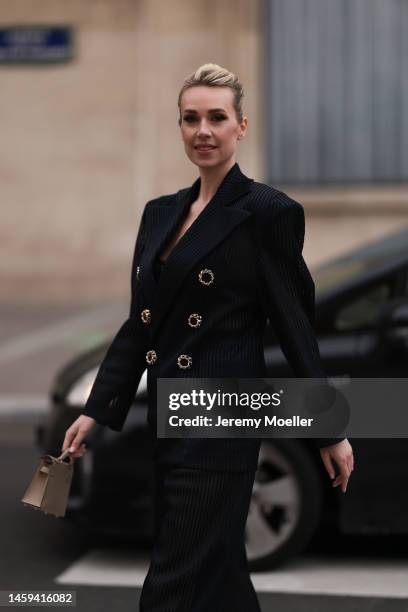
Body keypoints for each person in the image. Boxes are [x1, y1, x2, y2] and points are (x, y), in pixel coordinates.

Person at [62, 63, 354, 611]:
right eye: (191, 118)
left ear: (241, 127)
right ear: (179, 126)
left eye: (217, 118)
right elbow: (140, 324)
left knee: (173, 582)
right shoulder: (160, 214)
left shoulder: (268, 213)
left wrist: (329, 429)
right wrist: (100, 407)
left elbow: (296, 328)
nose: (204, 130)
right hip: (171, 418)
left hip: (220, 423)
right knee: (217, 577)